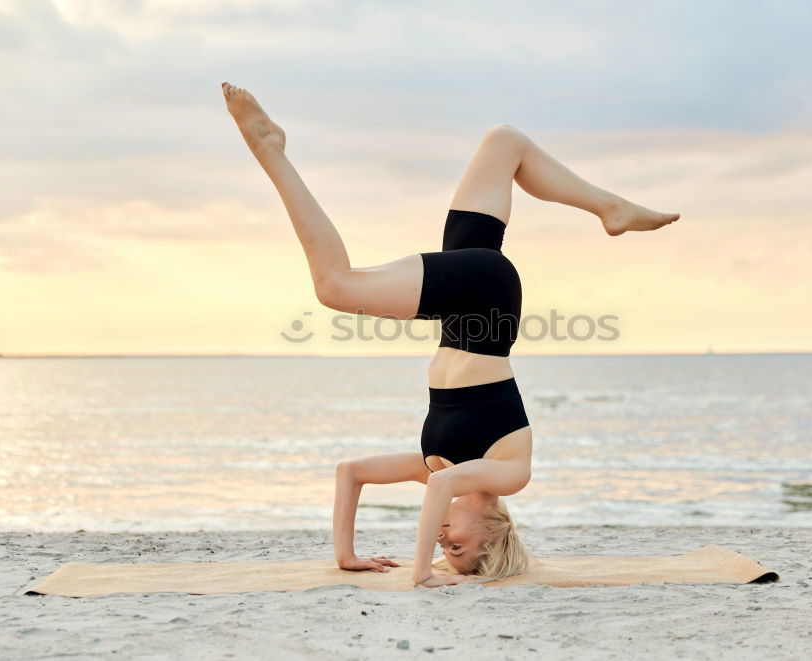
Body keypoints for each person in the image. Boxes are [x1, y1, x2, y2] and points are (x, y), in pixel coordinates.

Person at [221, 82, 680, 588]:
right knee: (335, 286)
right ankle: (272, 151)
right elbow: (443, 486)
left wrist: (346, 555)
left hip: (466, 309)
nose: (443, 538)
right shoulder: (507, 476)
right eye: (457, 545)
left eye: (443, 550)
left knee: (504, 143)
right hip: (487, 297)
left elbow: (349, 472)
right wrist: (422, 574)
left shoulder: (433, 463)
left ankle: (608, 208)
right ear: (495, 531)